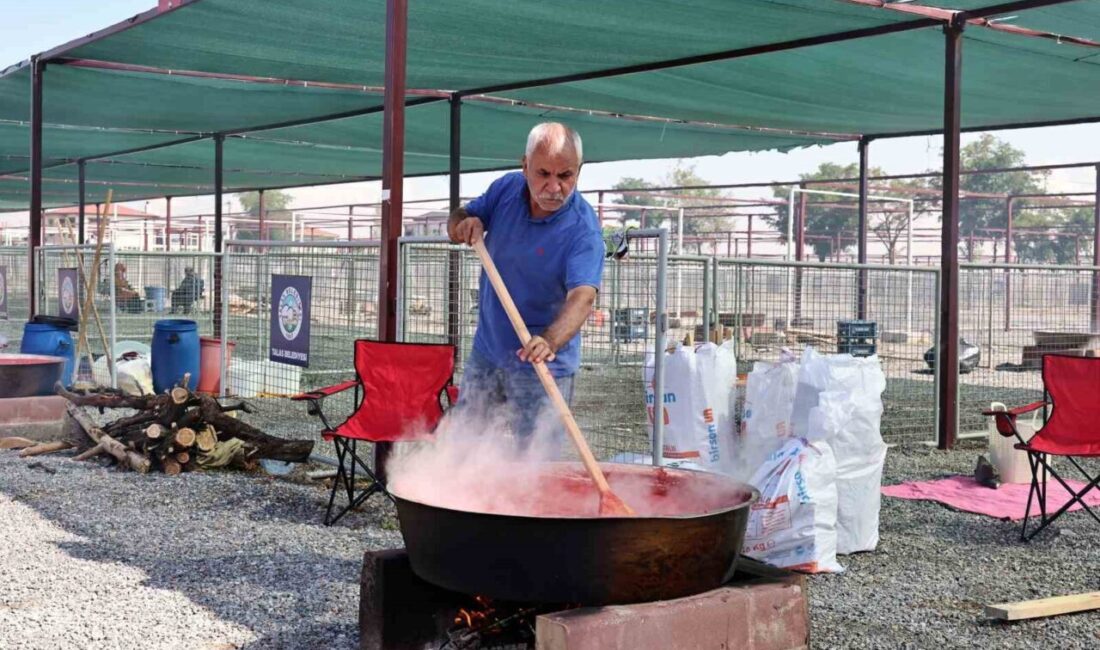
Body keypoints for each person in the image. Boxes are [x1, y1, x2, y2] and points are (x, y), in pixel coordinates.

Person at [448, 122, 604, 454]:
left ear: (579, 171)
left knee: (536, 463)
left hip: (543, 366)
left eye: (565, 176)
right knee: (461, 445)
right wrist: (464, 223)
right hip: (487, 353)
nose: (554, 187)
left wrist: (549, 341)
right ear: (524, 166)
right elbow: (458, 218)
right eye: (543, 174)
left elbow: (583, 296)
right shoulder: (506, 189)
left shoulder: (583, 230)